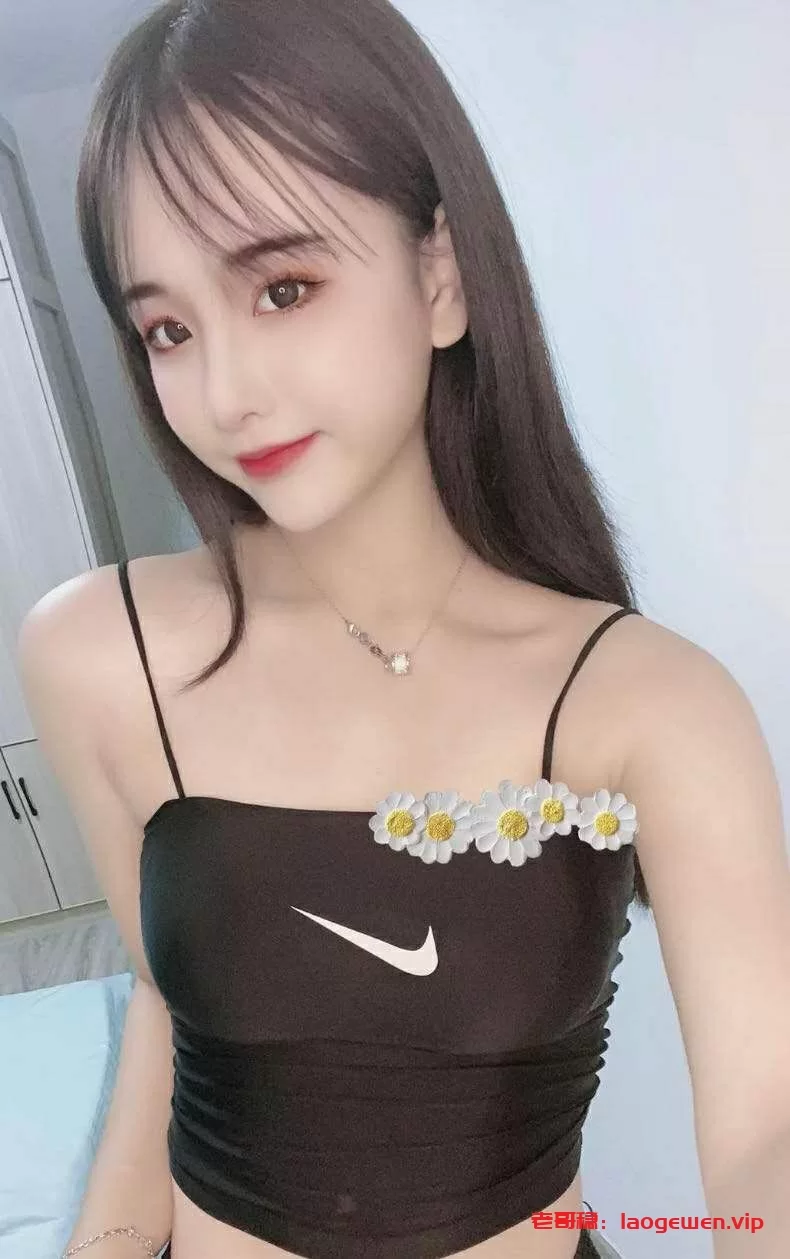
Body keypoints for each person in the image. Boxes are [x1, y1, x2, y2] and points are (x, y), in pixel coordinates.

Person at [16, 1, 790, 1258]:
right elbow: (167, 999)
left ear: (440, 276)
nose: (225, 390)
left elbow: (765, 1128)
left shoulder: (646, 704)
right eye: (169, 329)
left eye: (283, 288)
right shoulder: (101, 654)